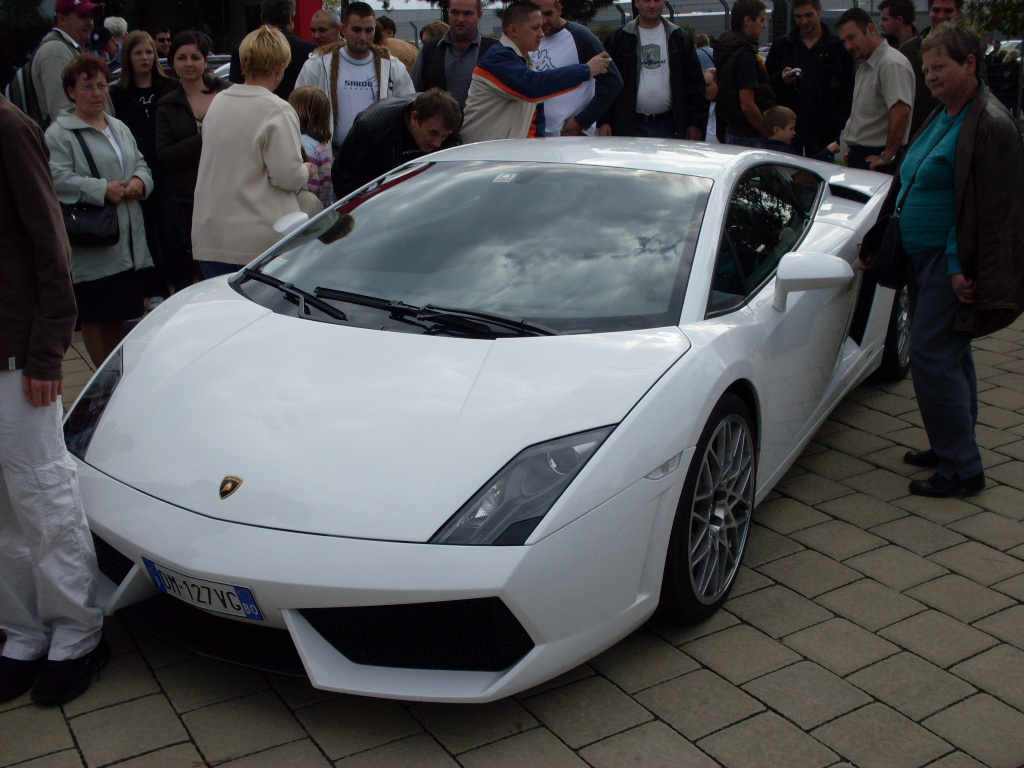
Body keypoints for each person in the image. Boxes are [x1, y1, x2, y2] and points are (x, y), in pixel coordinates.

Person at [873, 23, 1024, 496]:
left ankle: (963, 469)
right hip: (923, 258)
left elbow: (990, 209)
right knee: (951, 354)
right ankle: (950, 444)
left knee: (931, 356)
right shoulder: (945, 112)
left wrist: (961, 265)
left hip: (946, 261)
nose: (931, 76)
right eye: (927, 68)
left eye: (940, 67)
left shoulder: (992, 123)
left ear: (970, 65)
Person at [0, 91, 109, 708]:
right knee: (3, 509)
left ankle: (77, 632)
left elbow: (51, 247)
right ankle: (21, 630)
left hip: (18, 360)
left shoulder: (10, 128)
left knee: (42, 497)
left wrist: (46, 353)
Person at [45, 56, 154, 367]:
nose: (96, 93)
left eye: (102, 85)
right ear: (70, 92)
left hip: (128, 242)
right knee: (97, 315)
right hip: (95, 243)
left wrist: (139, 182)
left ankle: (117, 374)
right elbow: (56, 178)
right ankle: (100, 376)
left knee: (123, 315)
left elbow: (142, 163)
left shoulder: (118, 127)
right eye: (87, 86)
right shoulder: (59, 134)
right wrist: (101, 189)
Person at [191, 26, 315, 278]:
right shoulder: (277, 109)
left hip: (211, 237)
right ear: (280, 67)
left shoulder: (218, 102)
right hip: (258, 243)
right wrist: (306, 171)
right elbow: (287, 176)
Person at [461, 1, 610, 143]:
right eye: (535, 28)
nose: (541, 34)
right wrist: (586, 70)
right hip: (479, 156)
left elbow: (535, 118)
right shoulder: (497, 59)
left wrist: (535, 149)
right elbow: (532, 86)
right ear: (514, 30)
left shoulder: (524, 61)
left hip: (500, 155)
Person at [155, 31, 229, 289]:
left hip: (228, 193)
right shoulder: (167, 105)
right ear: (172, 62)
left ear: (206, 61)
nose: (189, 63)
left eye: (195, 57)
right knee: (198, 271)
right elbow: (165, 156)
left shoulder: (228, 94)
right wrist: (205, 136)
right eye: (181, 57)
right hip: (188, 200)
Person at [111, 30, 177, 308]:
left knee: (170, 229)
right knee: (144, 231)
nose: (145, 57)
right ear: (128, 56)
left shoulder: (168, 87)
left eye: (149, 51)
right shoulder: (117, 94)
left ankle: (179, 283)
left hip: (167, 169)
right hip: (135, 173)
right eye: (138, 52)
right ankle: (153, 287)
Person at [295, 2, 415, 152]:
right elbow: (298, 111)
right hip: (331, 157)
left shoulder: (393, 67)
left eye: (369, 30)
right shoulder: (317, 65)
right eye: (357, 30)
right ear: (343, 29)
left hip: (379, 158)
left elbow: (410, 111)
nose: (363, 37)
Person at [599, 0, 707, 140]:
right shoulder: (619, 39)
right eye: (647, 0)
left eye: (656, 0)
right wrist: (604, 121)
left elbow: (695, 83)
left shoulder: (680, 39)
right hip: (628, 126)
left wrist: (695, 123)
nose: (652, 5)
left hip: (670, 126)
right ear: (637, 2)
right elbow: (606, 82)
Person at [765, 0, 854, 157]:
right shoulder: (784, 45)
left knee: (822, 173)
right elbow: (766, 83)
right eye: (798, 17)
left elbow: (848, 87)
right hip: (790, 127)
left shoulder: (836, 47)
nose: (804, 21)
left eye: (808, 15)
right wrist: (781, 78)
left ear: (819, 10)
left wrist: (839, 121)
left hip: (825, 127)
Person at [334, 88, 462, 197]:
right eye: (433, 133)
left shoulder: (450, 124)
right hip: (372, 198)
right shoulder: (372, 127)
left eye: (444, 136)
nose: (437, 144)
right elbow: (343, 177)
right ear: (414, 118)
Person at [836, 7, 914, 173]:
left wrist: (888, 156)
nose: (848, 46)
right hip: (863, 155)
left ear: (870, 30)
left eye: (852, 38)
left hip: (879, 160)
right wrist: (855, 146)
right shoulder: (867, 64)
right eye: (844, 41)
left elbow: (901, 111)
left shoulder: (890, 64)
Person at [534, 0, 622, 136]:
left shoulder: (580, 37)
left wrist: (582, 120)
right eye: (539, 15)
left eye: (548, 14)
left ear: (559, 9)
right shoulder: (529, 38)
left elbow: (612, 81)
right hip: (536, 134)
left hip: (571, 135)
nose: (544, 20)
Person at [31, 0, 105, 127]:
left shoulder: (69, 49)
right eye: (82, 16)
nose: (89, 23)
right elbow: (62, 115)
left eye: (91, 17)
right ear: (61, 19)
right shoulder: (55, 51)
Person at [713, 0, 776, 146]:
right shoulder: (745, 54)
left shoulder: (728, 47)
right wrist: (767, 134)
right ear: (748, 20)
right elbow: (747, 104)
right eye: (762, 20)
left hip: (733, 130)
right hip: (749, 135)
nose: (765, 25)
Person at [411, 0, 496, 107]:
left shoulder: (494, 52)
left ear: (480, 15)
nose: (460, 19)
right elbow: (413, 93)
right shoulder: (429, 49)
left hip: (481, 122)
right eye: (455, 12)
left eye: (467, 13)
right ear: (448, 13)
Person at [229, 0, 315, 100]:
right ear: (291, 17)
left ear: (262, 18)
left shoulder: (240, 50)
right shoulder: (310, 51)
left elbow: (235, 88)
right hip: (298, 111)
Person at [900, 0, 962, 136]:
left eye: (948, 11)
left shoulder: (967, 49)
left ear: (958, 12)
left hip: (955, 132)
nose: (941, 16)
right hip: (916, 135)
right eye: (936, 10)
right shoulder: (908, 51)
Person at [289, 86, 335, 206]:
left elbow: (309, 186)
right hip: (322, 207)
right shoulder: (323, 143)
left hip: (309, 210)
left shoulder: (305, 145)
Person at [762, 104, 837, 159]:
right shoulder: (785, 153)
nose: (794, 132)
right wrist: (828, 150)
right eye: (791, 129)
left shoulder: (761, 147)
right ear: (777, 130)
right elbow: (807, 169)